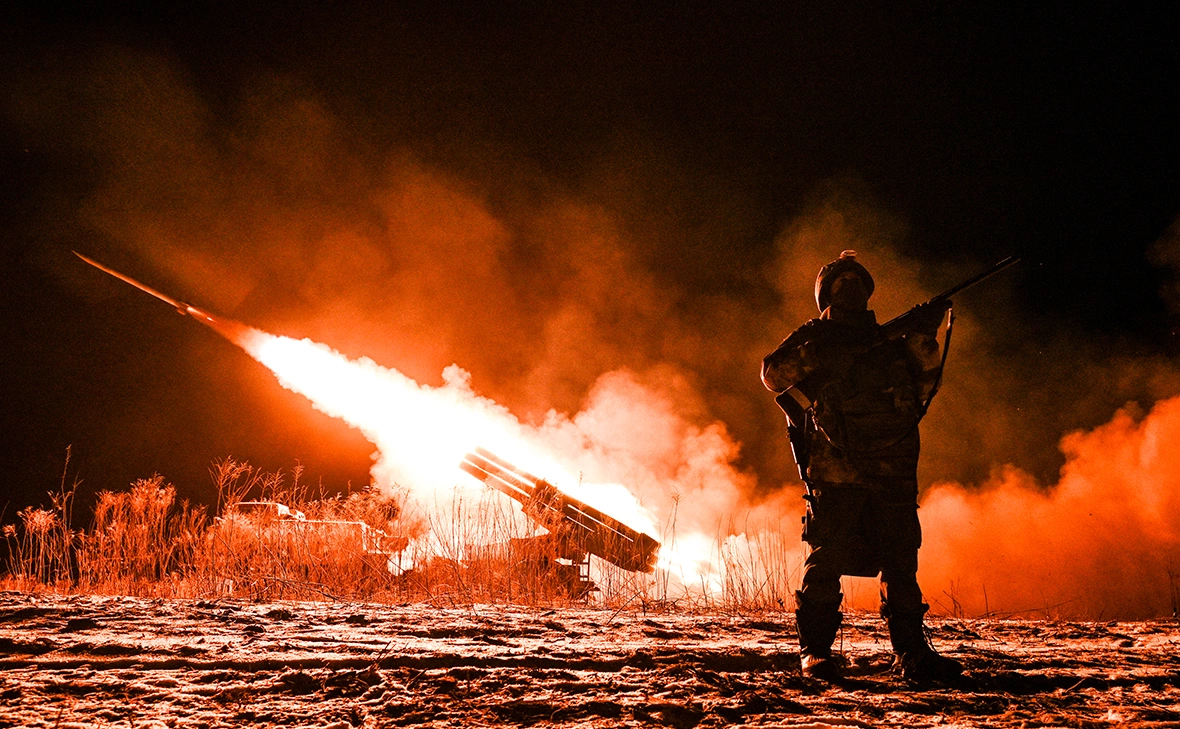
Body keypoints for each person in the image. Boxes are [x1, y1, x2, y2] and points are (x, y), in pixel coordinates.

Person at [761, 250, 963, 683]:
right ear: (825, 293)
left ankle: (911, 654)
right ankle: (815, 653)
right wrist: (822, 354)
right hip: (837, 468)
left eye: (856, 280)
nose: (849, 287)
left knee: (901, 562)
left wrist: (922, 338)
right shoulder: (815, 335)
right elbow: (773, 375)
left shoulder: (892, 340)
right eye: (839, 282)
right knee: (827, 557)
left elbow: (927, 383)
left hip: (892, 468)